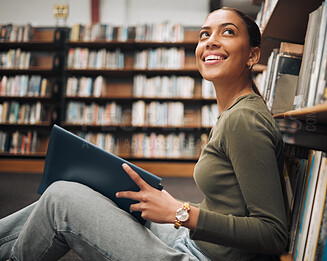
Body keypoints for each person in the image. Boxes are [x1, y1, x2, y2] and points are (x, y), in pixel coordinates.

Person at [0, 7, 288, 261]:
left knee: (62, 200)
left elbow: (273, 233)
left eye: (227, 32)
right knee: (103, 189)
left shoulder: (244, 120)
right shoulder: (233, 112)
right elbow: (230, 207)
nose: (210, 40)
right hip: (196, 241)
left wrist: (180, 212)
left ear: (253, 54)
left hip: (199, 254)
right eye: (203, 34)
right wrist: (172, 207)